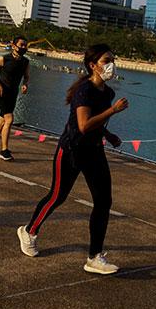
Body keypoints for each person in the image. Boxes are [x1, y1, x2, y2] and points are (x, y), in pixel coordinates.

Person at [17, 44, 128, 275]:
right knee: (58, 195)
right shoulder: (84, 91)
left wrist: (109, 135)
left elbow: (96, 123)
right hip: (71, 150)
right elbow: (84, 125)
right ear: (93, 65)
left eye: (112, 60)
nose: (111, 65)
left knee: (103, 201)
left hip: (95, 151)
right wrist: (114, 112)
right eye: (107, 60)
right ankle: (29, 231)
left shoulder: (107, 93)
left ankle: (94, 257)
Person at [0, 36, 30, 161]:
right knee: (9, 120)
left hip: (13, 94)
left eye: (25, 45)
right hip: (1, 92)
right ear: (14, 46)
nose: (24, 47)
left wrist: (25, 84)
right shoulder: (4, 59)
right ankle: (4, 151)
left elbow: (26, 76)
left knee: (2, 121)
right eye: (21, 45)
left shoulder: (25, 62)